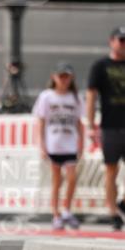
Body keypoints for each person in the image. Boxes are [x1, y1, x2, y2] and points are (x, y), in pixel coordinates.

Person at [33, 63, 84, 230]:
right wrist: (42, 145)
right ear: (53, 77)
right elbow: (41, 121)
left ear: (71, 78)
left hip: (69, 144)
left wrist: (81, 143)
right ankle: (56, 214)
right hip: (53, 143)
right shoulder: (47, 96)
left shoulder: (75, 97)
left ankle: (67, 210)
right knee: (56, 180)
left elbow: (79, 122)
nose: (63, 80)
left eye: (66, 77)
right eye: (60, 76)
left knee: (71, 178)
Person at [86, 26, 125, 230]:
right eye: (120, 40)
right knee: (111, 169)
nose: (122, 44)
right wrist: (91, 125)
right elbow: (91, 96)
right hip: (110, 124)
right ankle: (112, 211)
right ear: (111, 41)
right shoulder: (101, 66)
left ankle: (122, 203)